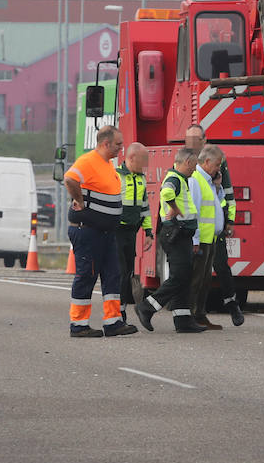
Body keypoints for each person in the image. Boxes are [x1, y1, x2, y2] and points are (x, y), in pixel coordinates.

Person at [63, 125, 136, 338]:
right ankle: (79, 324)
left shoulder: (108, 164)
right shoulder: (88, 161)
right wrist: (79, 200)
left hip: (105, 233)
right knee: (86, 276)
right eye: (118, 144)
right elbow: (69, 179)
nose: (121, 149)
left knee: (113, 275)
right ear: (105, 144)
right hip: (88, 231)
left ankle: (113, 322)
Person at [136, 148, 204, 333]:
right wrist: (174, 208)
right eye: (195, 165)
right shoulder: (174, 178)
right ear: (187, 162)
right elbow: (166, 193)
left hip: (181, 235)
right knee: (179, 276)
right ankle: (147, 307)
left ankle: (183, 320)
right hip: (175, 234)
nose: (195, 169)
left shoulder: (181, 179)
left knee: (184, 276)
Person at [184, 124, 244, 326]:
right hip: (197, 232)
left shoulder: (216, 163)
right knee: (194, 276)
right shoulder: (186, 162)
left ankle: (231, 307)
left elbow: (227, 194)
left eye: (196, 140)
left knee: (220, 268)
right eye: (189, 140)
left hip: (213, 230)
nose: (192, 144)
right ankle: (178, 313)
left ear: (204, 140)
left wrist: (229, 220)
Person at [188, 144, 226, 330]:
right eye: (217, 164)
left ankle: (200, 314)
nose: (219, 168)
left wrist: (218, 187)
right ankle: (191, 315)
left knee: (205, 280)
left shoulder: (210, 181)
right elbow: (193, 211)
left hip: (209, 238)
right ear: (207, 161)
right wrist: (195, 239)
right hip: (201, 239)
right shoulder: (196, 179)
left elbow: (216, 205)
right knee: (196, 280)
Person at [116, 142, 153, 325]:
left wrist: (148, 232)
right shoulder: (116, 176)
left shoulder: (141, 178)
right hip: (116, 232)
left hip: (131, 233)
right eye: (143, 159)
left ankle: (120, 311)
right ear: (131, 158)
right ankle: (117, 313)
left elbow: (145, 207)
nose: (146, 164)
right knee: (120, 273)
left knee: (128, 273)